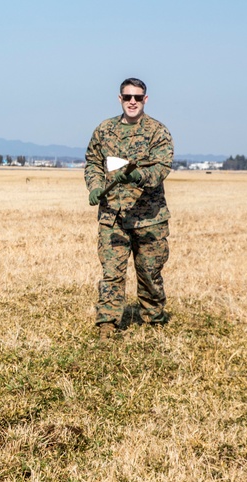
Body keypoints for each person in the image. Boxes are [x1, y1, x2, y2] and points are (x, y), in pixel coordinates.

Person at [84, 77, 173, 341]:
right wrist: (94, 186)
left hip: (149, 219)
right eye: (127, 97)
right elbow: (93, 162)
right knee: (112, 273)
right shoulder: (104, 130)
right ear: (119, 99)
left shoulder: (158, 132)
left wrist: (139, 177)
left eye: (137, 97)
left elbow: (162, 167)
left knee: (149, 272)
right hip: (113, 217)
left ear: (145, 99)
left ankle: (153, 319)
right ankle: (108, 324)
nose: (131, 102)